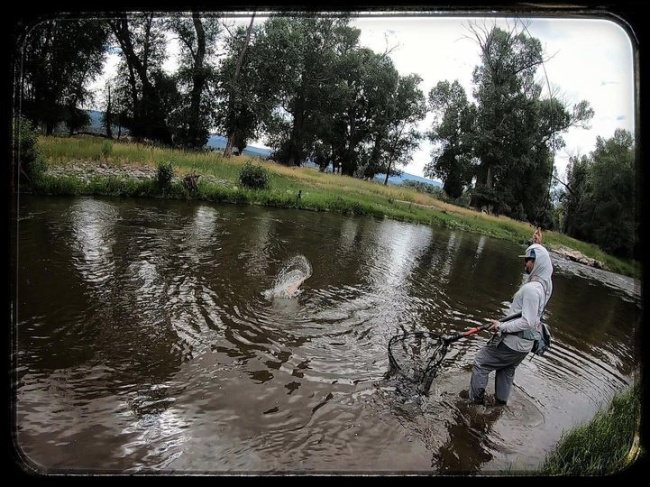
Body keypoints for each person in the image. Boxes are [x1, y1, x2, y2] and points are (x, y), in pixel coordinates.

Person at [468, 237, 553, 406]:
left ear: (538, 263)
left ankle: (475, 406)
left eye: (529, 261)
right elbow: (543, 261)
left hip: (513, 342)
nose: (526, 264)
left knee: (480, 363)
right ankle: (500, 406)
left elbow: (527, 321)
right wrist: (537, 245)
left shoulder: (530, 289)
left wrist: (501, 326)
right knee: (506, 369)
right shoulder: (546, 285)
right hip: (526, 345)